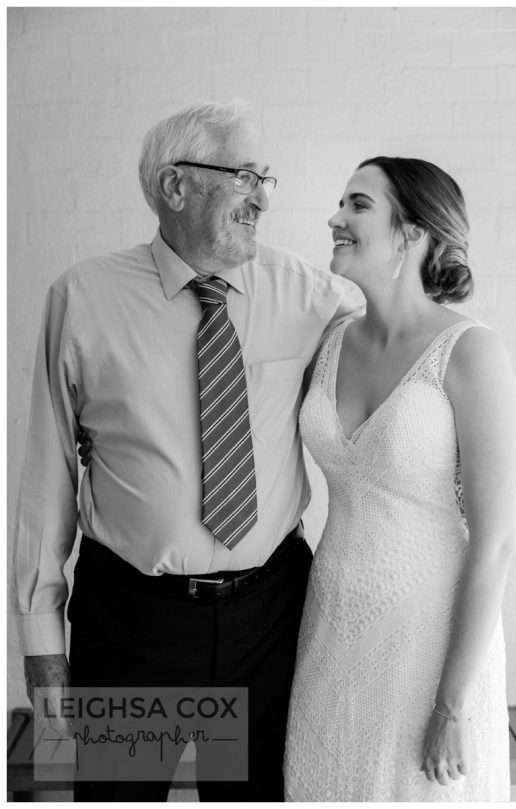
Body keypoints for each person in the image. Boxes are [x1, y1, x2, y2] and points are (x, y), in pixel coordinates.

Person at [10, 100, 360, 801]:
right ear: (175, 187)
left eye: (267, 177)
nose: (262, 196)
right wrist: (45, 666)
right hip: (137, 625)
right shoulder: (82, 299)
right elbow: (47, 491)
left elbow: (406, 337)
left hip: (272, 618)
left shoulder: (311, 295)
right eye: (243, 175)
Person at [283, 157, 516, 801]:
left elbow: (495, 541)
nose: (335, 217)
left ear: (412, 233)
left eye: (358, 204)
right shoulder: (330, 342)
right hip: (331, 621)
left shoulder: (471, 351)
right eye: (340, 203)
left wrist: (451, 706)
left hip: (430, 632)